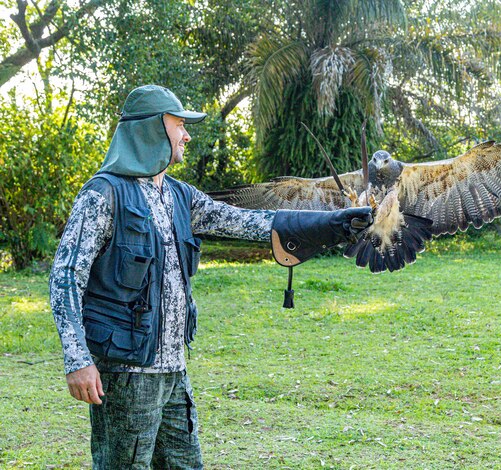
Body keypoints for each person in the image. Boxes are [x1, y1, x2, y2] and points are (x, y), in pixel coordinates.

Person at [49, 85, 372, 469]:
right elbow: (65, 277)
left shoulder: (181, 196)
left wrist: (331, 225)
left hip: (174, 372)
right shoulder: (102, 196)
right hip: (124, 374)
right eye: (178, 125)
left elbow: (248, 222)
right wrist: (77, 359)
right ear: (152, 129)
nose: (186, 135)